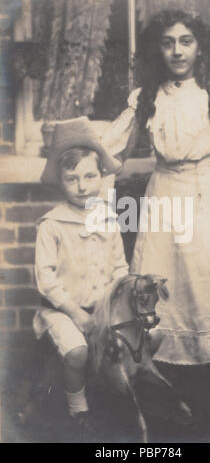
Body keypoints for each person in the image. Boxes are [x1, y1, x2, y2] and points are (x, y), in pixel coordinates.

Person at [102, 10, 210, 367]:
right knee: (160, 272)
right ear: (159, 49)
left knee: (204, 272)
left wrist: (207, 175)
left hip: (202, 193)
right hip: (163, 193)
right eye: (168, 43)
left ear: (200, 47)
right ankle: (158, 353)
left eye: (186, 41)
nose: (177, 51)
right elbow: (112, 146)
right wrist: (91, 160)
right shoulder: (147, 97)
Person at [33, 117, 128, 430]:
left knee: (136, 339)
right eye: (71, 178)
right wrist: (75, 312)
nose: (82, 185)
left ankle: (123, 395)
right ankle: (78, 409)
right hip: (62, 309)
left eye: (89, 176)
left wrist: (109, 309)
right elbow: (46, 280)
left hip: (101, 307)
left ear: (101, 176)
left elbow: (120, 268)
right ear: (61, 181)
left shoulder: (109, 219)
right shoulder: (52, 225)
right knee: (77, 351)